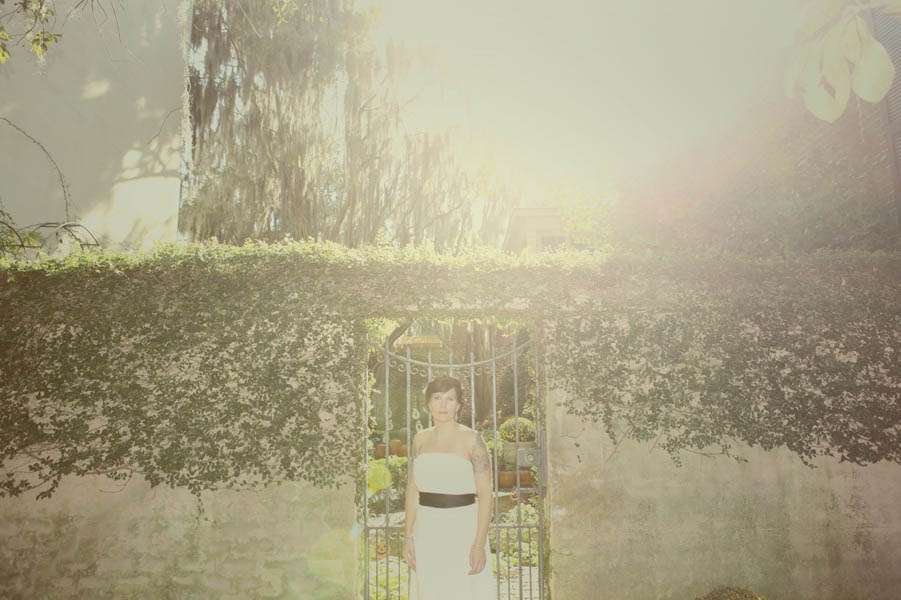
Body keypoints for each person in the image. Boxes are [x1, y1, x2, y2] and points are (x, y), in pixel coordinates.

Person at [403, 375, 497, 600]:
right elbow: (412, 491)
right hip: (427, 531)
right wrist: (407, 537)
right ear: (428, 404)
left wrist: (479, 544)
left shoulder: (473, 440)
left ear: (459, 405)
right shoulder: (420, 440)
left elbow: (486, 496)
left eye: (450, 399)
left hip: (462, 530)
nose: (443, 405)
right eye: (437, 398)